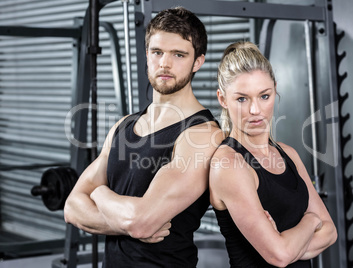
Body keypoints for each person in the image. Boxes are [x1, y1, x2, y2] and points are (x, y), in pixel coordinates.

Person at [64, 7, 223, 267]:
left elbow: (141, 222)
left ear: (198, 61)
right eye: (157, 52)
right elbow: (71, 208)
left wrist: (100, 194)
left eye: (178, 54)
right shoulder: (123, 127)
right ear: (147, 54)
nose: (165, 63)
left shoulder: (201, 134)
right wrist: (125, 223)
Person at [209, 41, 337, 268]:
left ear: (275, 90)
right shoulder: (229, 164)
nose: (255, 110)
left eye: (264, 96)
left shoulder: (288, 154)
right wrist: (311, 220)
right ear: (222, 99)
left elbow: (330, 233)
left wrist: (287, 244)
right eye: (242, 99)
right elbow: (279, 256)